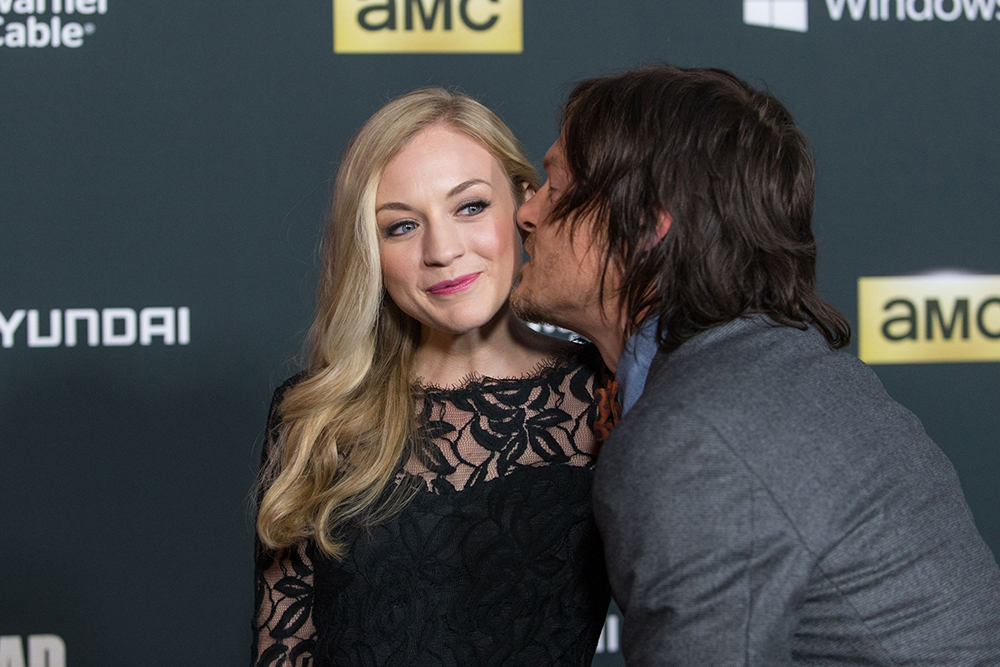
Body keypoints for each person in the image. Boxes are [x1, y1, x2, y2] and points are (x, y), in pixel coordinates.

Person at [511, 65, 1000, 665]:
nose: (526, 214)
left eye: (555, 188)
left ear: (645, 224)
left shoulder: (692, 437)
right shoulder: (773, 368)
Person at [251, 88, 611, 667]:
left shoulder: (602, 396)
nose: (441, 251)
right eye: (401, 227)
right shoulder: (317, 417)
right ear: (370, 249)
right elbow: (284, 650)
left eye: (469, 207)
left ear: (525, 208)